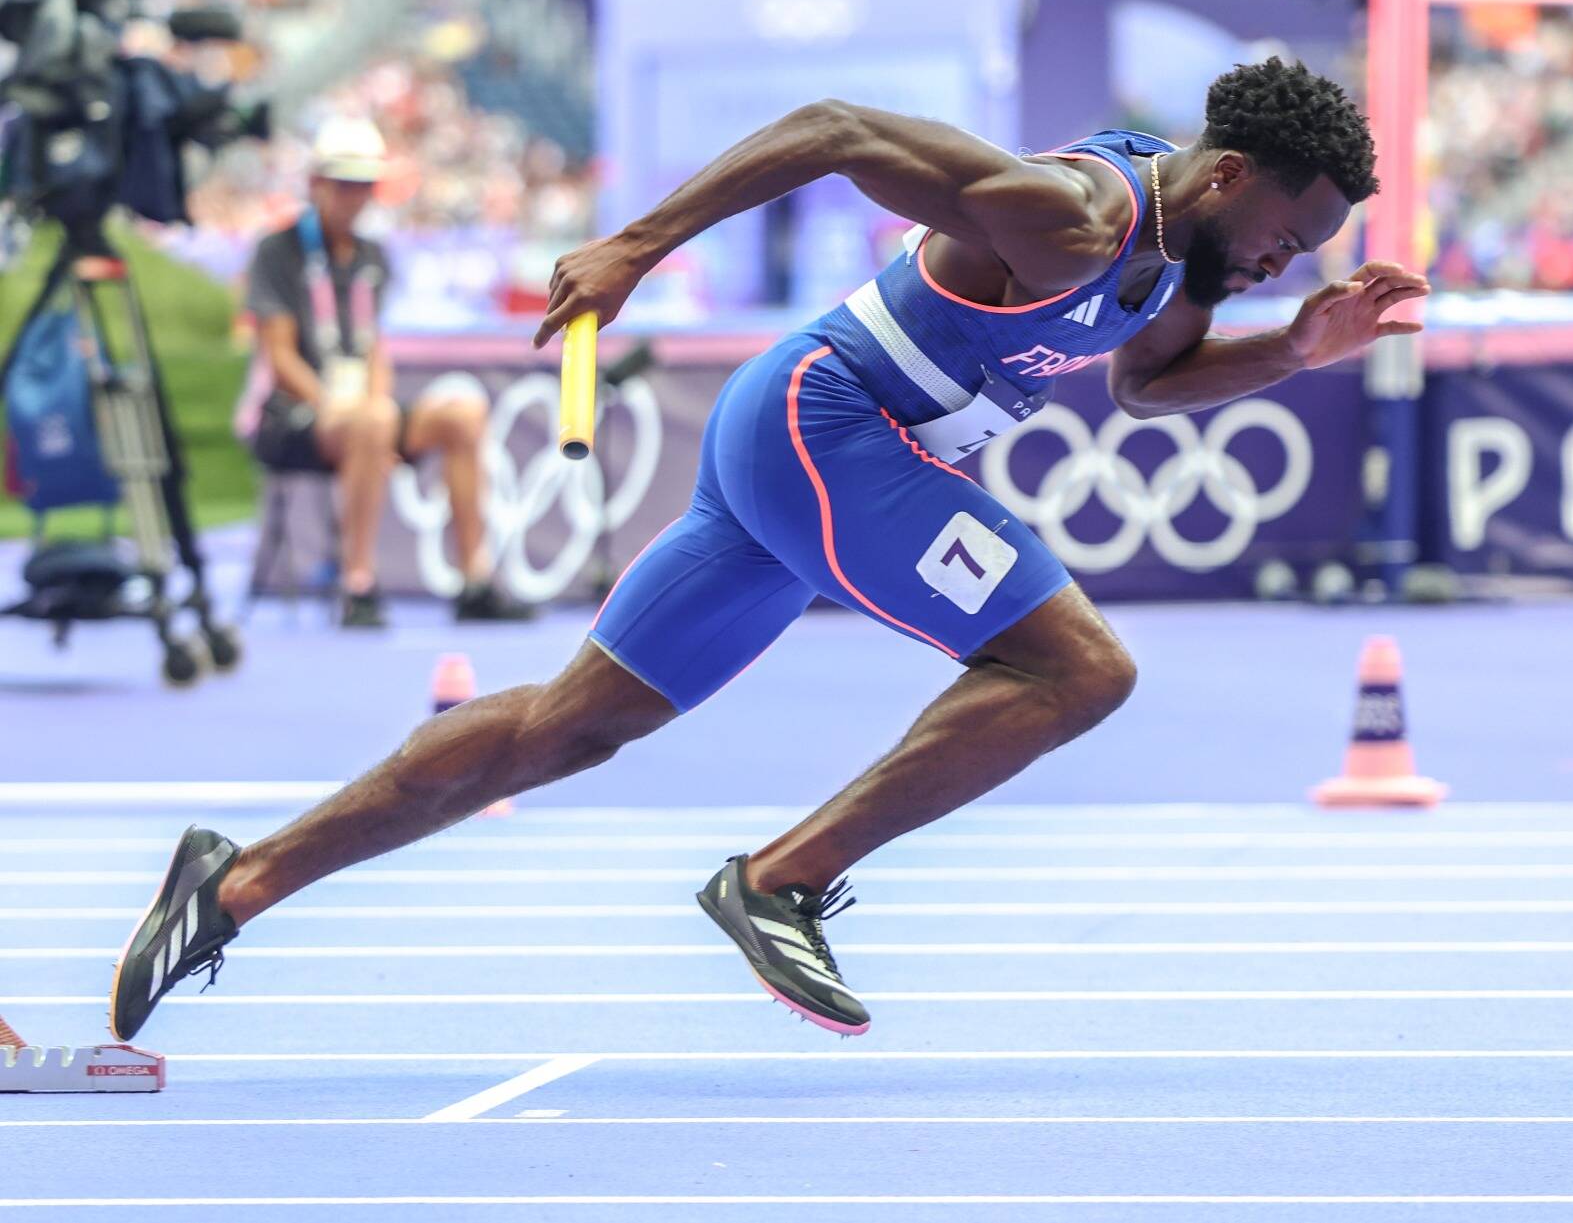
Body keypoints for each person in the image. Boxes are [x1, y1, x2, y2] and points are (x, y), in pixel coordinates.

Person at [111, 59, 1426, 1041]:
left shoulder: (1177, 260)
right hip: (829, 424)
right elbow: (835, 130)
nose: (1281, 264)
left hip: (823, 459)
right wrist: (634, 244)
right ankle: (781, 881)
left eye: (1301, 259)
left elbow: (1148, 384)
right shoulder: (1069, 215)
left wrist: (1298, 352)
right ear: (1233, 177)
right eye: (1287, 241)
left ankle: (234, 883)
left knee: (567, 730)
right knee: (1078, 669)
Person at [245, 116, 531, 627]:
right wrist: (343, 409)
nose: (355, 198)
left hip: (359, 409)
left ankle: (476, 580)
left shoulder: (374, 256)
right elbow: (280, 356)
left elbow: (371, 344)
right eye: (343, 186)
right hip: (294, 416)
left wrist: (374, 402)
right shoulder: (277, 251)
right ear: (316, 184)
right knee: (372, 420)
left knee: (462, 415)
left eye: (363, 187)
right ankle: (358, 584)